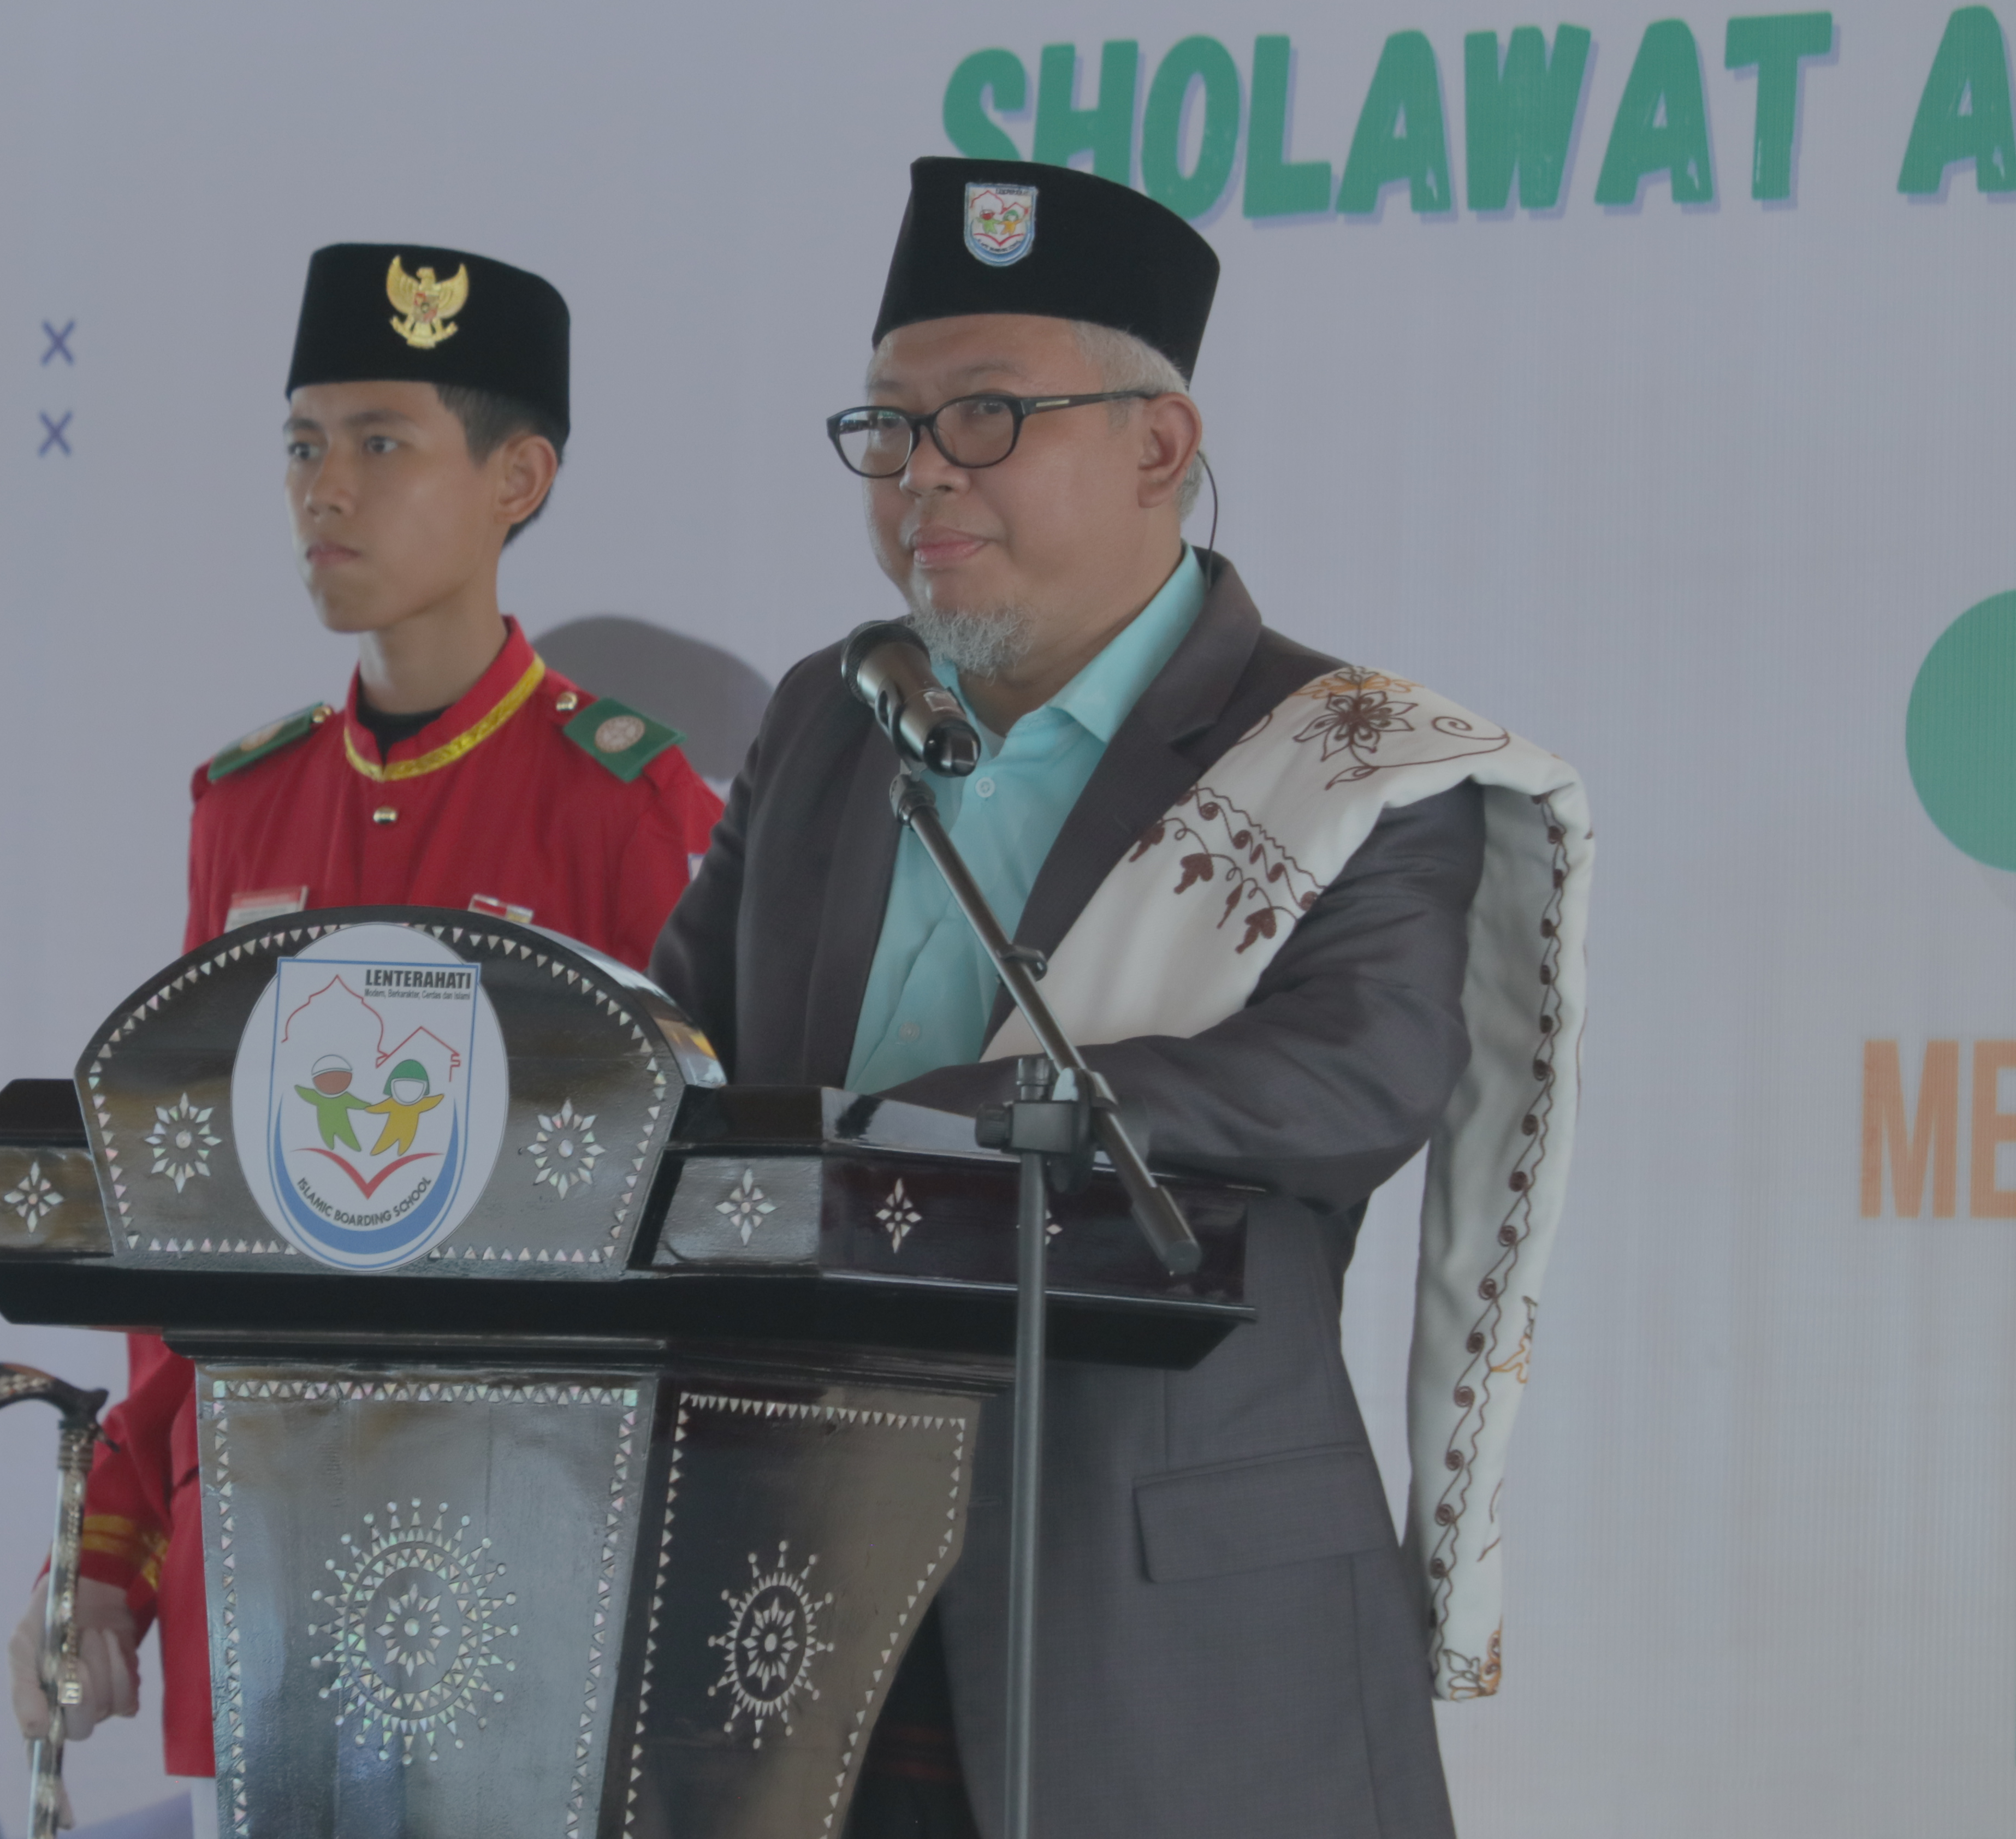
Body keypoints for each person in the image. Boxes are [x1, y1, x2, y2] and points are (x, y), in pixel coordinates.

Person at [651, 159, 1596, 1838]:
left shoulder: (1347, 762)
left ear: (1162, 447)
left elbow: (1353, 1081)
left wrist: (932, 1132)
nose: (924, 474)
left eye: (986, 416)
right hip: (797, 1584)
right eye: (889, 428)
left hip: (1161, 1624)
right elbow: (684, 1048)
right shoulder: (832, 713)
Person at [11, 242, 727, 1800]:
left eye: (382, 443)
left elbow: (694, 1225)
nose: (324, 490)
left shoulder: (628, 804)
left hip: (523, 1564)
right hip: (255, 1540)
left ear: (518, 479)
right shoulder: (247, 808)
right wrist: (110, 1547)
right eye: (302, 445)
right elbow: (189, 1216)